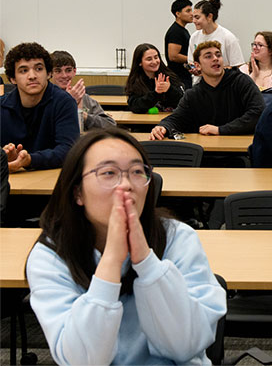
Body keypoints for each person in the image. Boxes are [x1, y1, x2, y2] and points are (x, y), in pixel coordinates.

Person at [25, 128, 226, 364]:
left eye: (137, 172)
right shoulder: (51, 256)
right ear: (77, 192)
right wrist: (111, 261)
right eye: (109, 172)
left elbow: (187, 346)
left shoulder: (177, 238)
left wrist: (146, 261)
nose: (126, 185)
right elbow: (82, 360)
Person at [149, 40, 265, 140]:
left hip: (240, 152)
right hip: (207, 153)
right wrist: (163, 127)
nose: (215, 59)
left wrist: (220, 130)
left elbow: (258, 112)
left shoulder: (240, 81)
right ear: (197, 66)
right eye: (208, 56)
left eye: (218, 55)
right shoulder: (193, 94)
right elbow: (177, 118)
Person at [1, 42, 79, 171]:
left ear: (49, 74)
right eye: (24, 70)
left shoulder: (64, 102)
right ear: (12, 78)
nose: (32, 76)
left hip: (51, 182)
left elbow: (68, 150)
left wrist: (28, 160)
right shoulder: (2, 107)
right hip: (9, 181)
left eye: (38, 69)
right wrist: (4, 156)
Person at [50, 50, 117, 130]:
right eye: (58, 71)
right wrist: (69, 104)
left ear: (74, 71)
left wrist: (84, 116)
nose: (64, 75)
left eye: (68, 70)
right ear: (50, 73)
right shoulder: (45, 98)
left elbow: (111, 125)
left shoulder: (84, 98)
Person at [187, 0, 244, 71]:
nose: (194, 21)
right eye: (193, 17)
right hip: (199, 81)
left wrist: (213, 70)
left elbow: (238, 66)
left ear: (209, 17)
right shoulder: (194, 37)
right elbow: (191, 62)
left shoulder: (228, 37)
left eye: (197, 18)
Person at [125, 44, 185, 114]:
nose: (154, 62)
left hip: (170, 121)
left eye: (156, 57)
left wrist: (169, 89)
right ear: (140, 62)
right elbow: (135, 107)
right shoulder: (135, 81)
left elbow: (183, 102)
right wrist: (156, 93)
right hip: (145, 122)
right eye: (149, 59)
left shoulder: (169, 76)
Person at [164, 0, 194, 88]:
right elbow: (173, 56)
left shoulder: (183, 30)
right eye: (188, 11)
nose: (192, 14)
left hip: (184, 76)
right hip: (178, 78)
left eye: (191, 10)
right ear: (178, 14)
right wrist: (193, 59)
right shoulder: (176, 31)